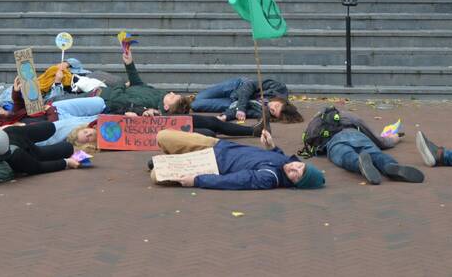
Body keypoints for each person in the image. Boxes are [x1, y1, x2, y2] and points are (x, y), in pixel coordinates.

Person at [101, 43, 263, 138]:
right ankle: (251, 131)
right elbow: (126, 92)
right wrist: (129, 67)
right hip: (160, 120)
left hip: (159, 115)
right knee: (208, 131)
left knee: (212, 123)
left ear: (166, 106)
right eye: (173, 94)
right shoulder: (157, 103)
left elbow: (133, 86)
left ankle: (252, 131)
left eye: (173, 96)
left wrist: (126, 75)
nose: (171, 92)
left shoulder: (154, 102)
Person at [149, 129, 324, 190]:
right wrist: (271, 146)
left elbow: (233, 181)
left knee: (156, 175)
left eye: (297, 175)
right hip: (216, 145)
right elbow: (277, 156)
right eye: (300, 166)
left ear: (295, 184)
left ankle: (173, 159)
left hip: (207, 164)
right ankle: (173, 156)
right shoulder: (285, 160)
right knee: (163, 136)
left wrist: (196, 180)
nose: (294, 168)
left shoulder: (269, 178)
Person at [0, 122, 84, 180]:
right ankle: (21, 125)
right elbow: (38, 167)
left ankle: (22, 125)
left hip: (10, 135)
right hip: (23, 143)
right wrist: (66, 162)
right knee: (66, 147)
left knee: (48, 128)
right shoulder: (15, 154)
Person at [324, 129, 424, 185]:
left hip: (335, 141)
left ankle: (359, 164)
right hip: (359, 136)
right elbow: (375, 137)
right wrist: (393, 139)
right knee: (376, 154)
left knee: (346, 156)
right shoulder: (352, 119)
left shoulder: (318, 124)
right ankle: (389, 165)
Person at [191, 77, 303, 124]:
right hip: (238, 87)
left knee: (196, 105)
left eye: (273, 111)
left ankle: (181, 103)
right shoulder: (279, 88)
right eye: (277, 106)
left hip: (233, 103)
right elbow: (250, 86)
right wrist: (241, 108)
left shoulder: (265, 112)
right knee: (200, 97)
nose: (272, 107)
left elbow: (247, 113)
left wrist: (226, 116)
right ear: (283, 101)